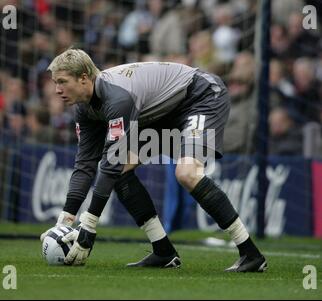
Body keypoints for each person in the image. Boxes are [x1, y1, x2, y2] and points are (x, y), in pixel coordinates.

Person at [41, 48, 267, 272]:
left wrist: (88, 226)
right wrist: (65, 221)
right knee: (119, 170)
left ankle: (250, 253)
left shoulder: (117, 98)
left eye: (62, 81)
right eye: (55, 83)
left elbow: (110, 162)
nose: (57, 90)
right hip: (163, 112)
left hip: (200, 96)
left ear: (83, 78)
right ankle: (163, 251)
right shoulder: (83, 109)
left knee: (187, 173)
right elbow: (85, 165)